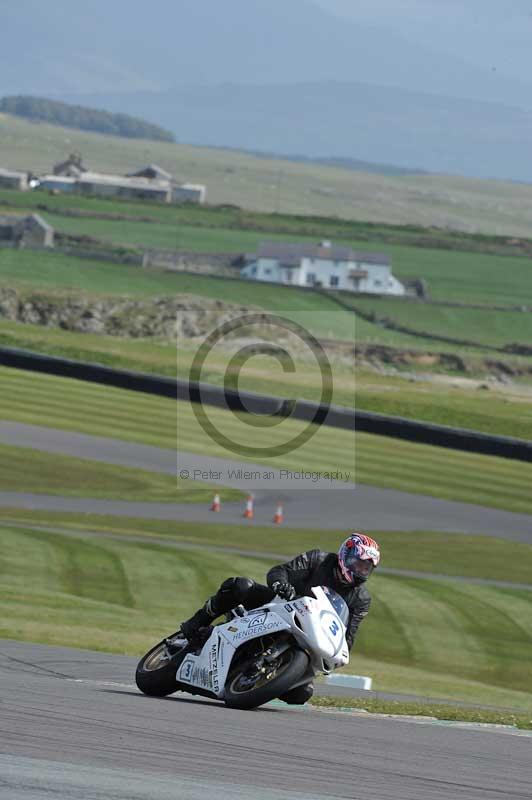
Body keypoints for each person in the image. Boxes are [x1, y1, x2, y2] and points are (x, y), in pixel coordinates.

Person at [179, 533, 381, 705]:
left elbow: (348, 636)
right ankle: (197, 622)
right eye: (359, 564)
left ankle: (260, 683)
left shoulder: (361, 600)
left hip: (309, 635)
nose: (361, 571)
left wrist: (338, 655)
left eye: (367, 568)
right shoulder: (318, 559)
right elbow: (280, 571)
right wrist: (280, 584)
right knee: (240, 586)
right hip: (280, 606)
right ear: (346, 556)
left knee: (302, 693)